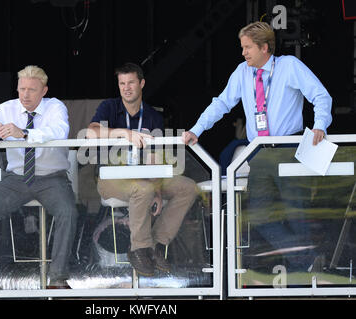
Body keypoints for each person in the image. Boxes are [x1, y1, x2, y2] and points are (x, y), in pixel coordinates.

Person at [183, 22, 332, 272]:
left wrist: (320, 125)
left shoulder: (289, 66)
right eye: (242, 47)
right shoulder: (242, 72)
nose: (243, 53)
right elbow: (221, 104)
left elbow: (321, 96)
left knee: (297, 214)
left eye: (248, 47)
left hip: (288, 150)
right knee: (260, 216)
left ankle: (308, 270)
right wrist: (196, 130)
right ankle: (307, 263)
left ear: (265, 47)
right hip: (259, 153)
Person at [0, 65, 78, 288]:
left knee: (68, 213)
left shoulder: (55, 107)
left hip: (51, 178)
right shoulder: (6, 109)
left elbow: (58, 132)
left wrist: (24, 133)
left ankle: (57, 279)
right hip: (16, 180)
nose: (25, 95)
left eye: (32, 90)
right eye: (21, 89)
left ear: (44, 91)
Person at [86, 62, 198, 276]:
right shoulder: (109, 106)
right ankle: (139, 249)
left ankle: (153, 245)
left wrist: (157, 189)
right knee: (143, 189)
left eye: (131, 83)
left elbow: (156, 157)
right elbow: (91, 132)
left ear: (142, 83)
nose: (126, 88)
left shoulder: (153, 116)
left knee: (188, 187)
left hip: (146, 177)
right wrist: (125, 134)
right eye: (121, 83)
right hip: (111, 177)